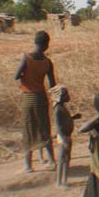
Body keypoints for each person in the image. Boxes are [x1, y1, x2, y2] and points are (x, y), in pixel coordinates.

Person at [15, 31, 56, 172]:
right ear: (46, 45)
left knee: (28, 129)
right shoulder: (47, 62)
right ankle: (52, 161)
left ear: (35, 42)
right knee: (45, 128)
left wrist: (23, 76)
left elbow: (16, 75)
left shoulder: (26, 58)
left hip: (28, 98)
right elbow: (52, 84)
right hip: (41, 97)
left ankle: (28, 165)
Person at [50, 85, 81, 188]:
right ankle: (59, 182)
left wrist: (73, 117)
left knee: (66, 159)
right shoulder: (58, 109)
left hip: (66, 136)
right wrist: (63, 138)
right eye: (65, 94)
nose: (68, 96)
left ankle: (64, 180)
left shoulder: (61, 108)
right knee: (62, 159)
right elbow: (58, 125)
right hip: (63, 137)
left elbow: (63, 121)